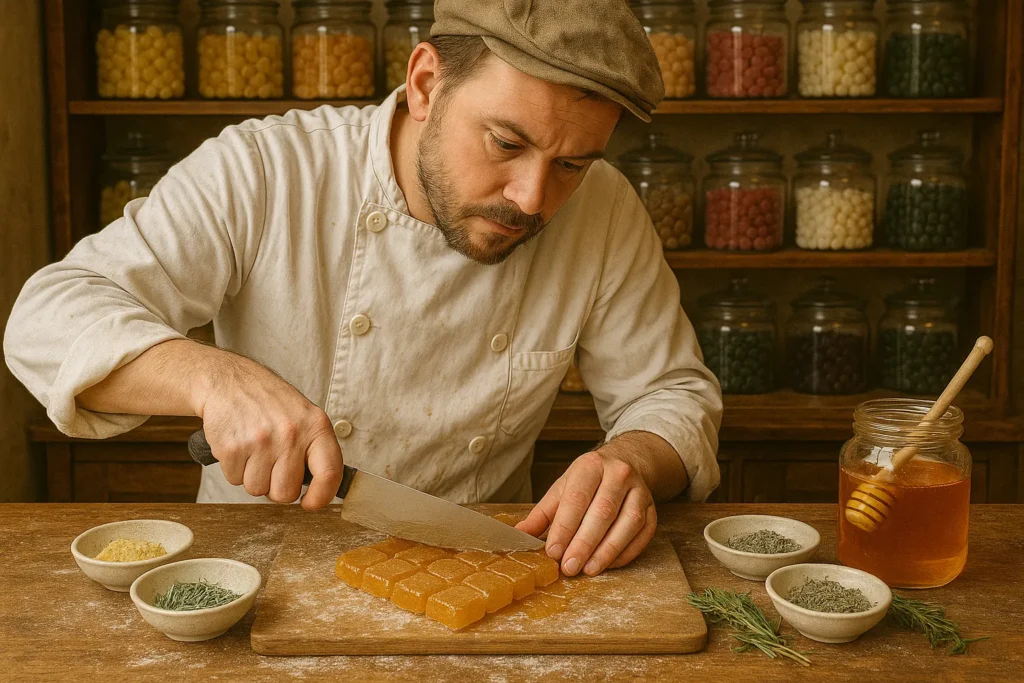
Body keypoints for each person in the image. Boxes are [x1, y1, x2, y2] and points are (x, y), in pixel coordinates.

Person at [4, 0, 721, 578]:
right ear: (425, 83)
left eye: (571, 163)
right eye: (505, 143)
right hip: (255, 570)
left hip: (473, 567)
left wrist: (633, 460)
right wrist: (210, 377)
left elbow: (672, 393)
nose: (532, 198)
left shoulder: (605, 209)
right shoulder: (267, 170)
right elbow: (46, 318)